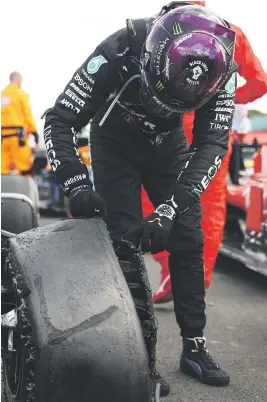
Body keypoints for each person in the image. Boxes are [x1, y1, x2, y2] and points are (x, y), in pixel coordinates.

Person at [44, 3, 237, 394]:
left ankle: (194, 347)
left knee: (187, 236)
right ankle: (139, 353)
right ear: (151, 56)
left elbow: (212, 147)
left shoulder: (225, 73)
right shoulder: (119, 48)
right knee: (123, 240)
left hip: (169, 145)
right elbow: (59, 119)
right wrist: (77, 183)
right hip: (115, 141)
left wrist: (168, 211)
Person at [151, 0, 267, 303]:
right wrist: (228, 100)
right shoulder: (231, 32)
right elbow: (260, 83)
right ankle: (196, 283)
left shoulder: (163, 24)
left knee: (155, 197)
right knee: (210, 208)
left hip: (168, 129)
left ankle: (169, 272)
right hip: (213, 133)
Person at [1, 71, 39, 175]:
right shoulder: (21, 95)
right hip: (18, 139)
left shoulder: (1, 95)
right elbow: (27, 115)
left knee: (3, 169)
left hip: (3, 139)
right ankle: (23, 190)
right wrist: (34, 131)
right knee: (24, 167)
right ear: (18, 80)